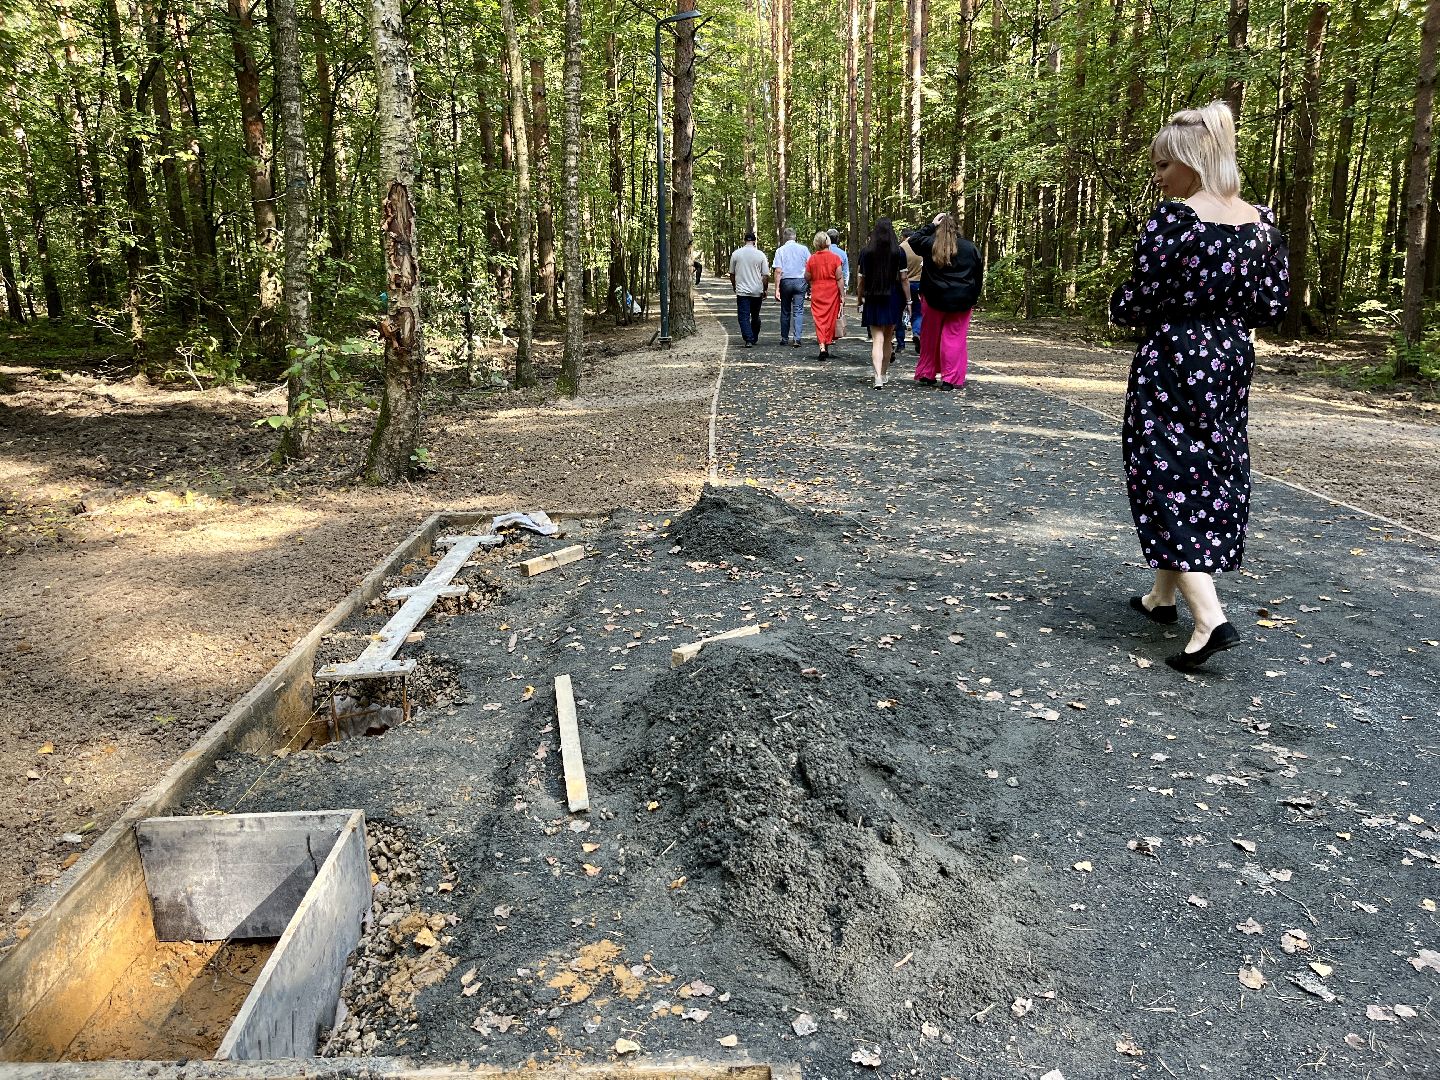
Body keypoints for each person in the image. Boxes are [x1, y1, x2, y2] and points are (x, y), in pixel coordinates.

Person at [1110, 101, 1289, 672]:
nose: (1159, 177)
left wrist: (1148, 307)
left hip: (1176, 355)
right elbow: (1272, 305)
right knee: (1206, 463)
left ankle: (1209, 619)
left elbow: (1135, 301)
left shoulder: (1174, 221)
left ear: (1191, 162)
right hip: (1231, 357)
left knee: (1162, 466)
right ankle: (1163, 596)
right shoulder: (1262, 224)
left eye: (1164, 165)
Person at [907, 212, 983, 390]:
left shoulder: (930, 245)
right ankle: (950, 379)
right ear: (957, 228)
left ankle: (927, 373)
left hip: (933, 298)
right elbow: (977, 276)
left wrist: (931, 225)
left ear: (937, 229)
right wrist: (974, 297)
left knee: (930, 337)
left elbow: (913, 240)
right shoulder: (970, 248)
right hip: (962, 300)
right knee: (954, 338)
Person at [855, 218, 908, 390]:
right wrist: (909, 301)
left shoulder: (866, 252)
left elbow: (861, 280)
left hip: (873, 295)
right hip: (893, 296)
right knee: (887, 337)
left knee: (876, 338)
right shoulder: (899, 252)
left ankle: (877, 376)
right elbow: (904, 278)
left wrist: (860, 298)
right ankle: (884, 374)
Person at [804, 231, 845, 360]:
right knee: (830, 320)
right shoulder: (835, 258)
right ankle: (826, 343)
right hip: (832, 292)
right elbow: (839, 278)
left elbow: (807, 276)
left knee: (819, 320)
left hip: (817, 291)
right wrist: (842, 295)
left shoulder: (812, 259)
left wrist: (812, 281)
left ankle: (822, 346)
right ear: (828, 242)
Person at [728, 230, 770, 348]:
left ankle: (748, 338)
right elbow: (765, 275)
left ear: (744, 240)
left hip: (742, 290)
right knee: (755, 315)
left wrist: (734, 286)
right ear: (754, 241)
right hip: (757, 290)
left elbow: (731, 273)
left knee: (743, 316)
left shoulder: (736, 254)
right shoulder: (761, 255)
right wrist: (765, 289)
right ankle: (753, 337)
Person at [772, 227, 811, 347]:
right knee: (798, 310)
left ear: (784, 237)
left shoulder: (780, 250)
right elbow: (810, 266)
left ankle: (784, 338)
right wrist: (809, 284)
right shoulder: (804, 249)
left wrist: (777, 288)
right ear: (795, 236)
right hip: (800, 282)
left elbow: (778, 270)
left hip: (786, 282)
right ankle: (797, 338)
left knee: (785, 311)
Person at [895, 230, 924, 352]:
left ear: (903, 236)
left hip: (903, 284)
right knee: (918, 312)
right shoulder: (921, 247)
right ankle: (917, 333)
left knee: (899, 313)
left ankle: (901, 344)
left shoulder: (901, 248)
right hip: (919, 283)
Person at [827, 228, 850, 339]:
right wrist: (844, 287)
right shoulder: (842, 253)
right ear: (837, 240)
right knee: (836, 309)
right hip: (837, 286)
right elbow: (845, 272)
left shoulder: (822, 252)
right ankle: (834, 332)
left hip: (825, 286)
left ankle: (825, 333)